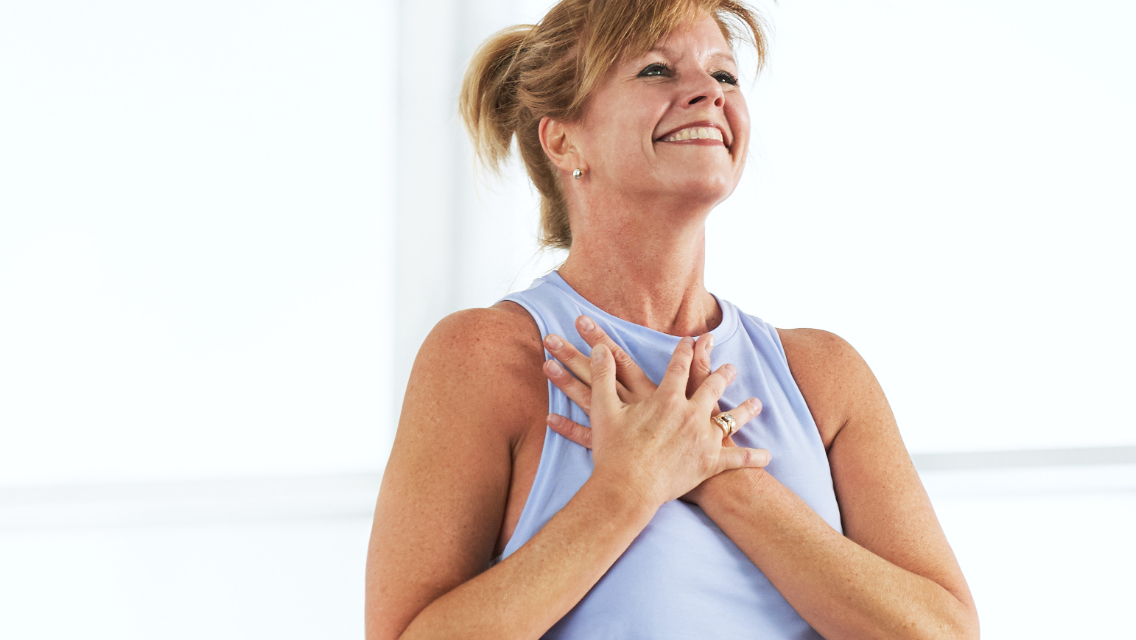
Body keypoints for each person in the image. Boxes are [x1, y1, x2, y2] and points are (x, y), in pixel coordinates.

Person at [365, 0, 979, 638]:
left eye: (725, 75)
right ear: (563, 137)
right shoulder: (485, 358)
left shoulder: (823, 377)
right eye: (657, 71)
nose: (709, 94)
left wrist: (717, 472)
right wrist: (628, 489)